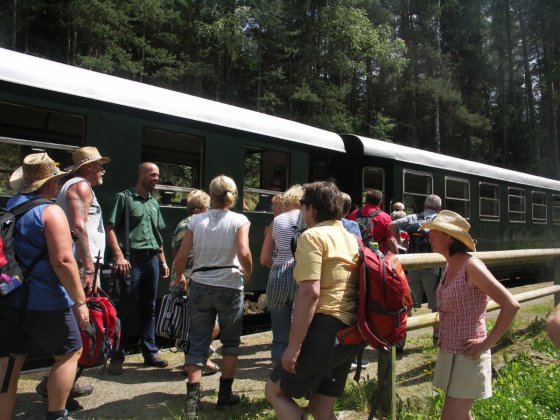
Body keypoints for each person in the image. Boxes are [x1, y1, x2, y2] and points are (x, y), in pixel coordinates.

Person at [0, 153, 88, 420]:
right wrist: (80, 302)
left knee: (9, 364)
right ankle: (56, 415)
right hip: (46, 302)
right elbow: (62, 261)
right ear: (51, 184)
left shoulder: (10, 208)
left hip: (8, 300)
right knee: (71, 352)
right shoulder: (50, 211)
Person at [265, 181, 362, 419]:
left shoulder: (313, 236)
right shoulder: (351, 238)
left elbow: (310, 292)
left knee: (274, 392)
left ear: (312, 209)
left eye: (303, 205)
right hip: (351, 332)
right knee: (321, 407)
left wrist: (293, 347)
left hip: (324, 330)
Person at [426, 210, 520, 419]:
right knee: (462, 415)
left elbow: (511, 305)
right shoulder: (449, 264)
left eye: (434, 232)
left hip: (469, 353)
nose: (429, 235)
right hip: (450, 350)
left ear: (449, 238)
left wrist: (486, 344)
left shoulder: (472, 266)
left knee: (450, 417)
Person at [36, 147, 111, 403]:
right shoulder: (81, 186)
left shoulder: (73, 185)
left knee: (84, 325)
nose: (103, 169)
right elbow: (78, 226)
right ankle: (57, 388)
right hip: (81, 266)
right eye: (99, 165)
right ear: (88, 167)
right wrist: (88, 267)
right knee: (86, 326)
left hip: (80, 264)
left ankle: (63, 383)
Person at [173, 175, 252, 414]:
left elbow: (181, 256)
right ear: (233, 196)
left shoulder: (195, 221)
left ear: (212, 194)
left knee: (197, 342)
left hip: (200, 283)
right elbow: (244, 252)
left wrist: (179, 276)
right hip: (229, 284)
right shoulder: (239, 220)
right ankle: (224, 396)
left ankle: (192, 403)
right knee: (231, 343)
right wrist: (246, 274)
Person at [105, 162, 170, 375]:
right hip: (131, 261)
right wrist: (119, 256)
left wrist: (162, 260)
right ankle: (117, 356)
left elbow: (156, 234)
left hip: (151, 260)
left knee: (149, 307)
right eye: (153, 174)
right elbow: (110, 228)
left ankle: (150, 353)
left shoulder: (153, 203)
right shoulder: (123, 198)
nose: (156, 178)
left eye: (158, 175)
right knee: (125, 308)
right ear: (141, 175)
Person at [170, 189, 220, 376]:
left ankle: (195, 361)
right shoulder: (189, 225)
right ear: (199, 209)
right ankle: (195, 362)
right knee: (201, 323)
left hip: (188, 276)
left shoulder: (184, 223)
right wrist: (180, 275)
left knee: (192, 323)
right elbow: (180, 253)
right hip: (190, 278)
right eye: (207, 207)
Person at [389, 194, 442, 342]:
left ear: (425, 206)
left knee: (407, 304)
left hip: (413, 266)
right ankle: (436, 338)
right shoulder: (439, 220)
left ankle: (400, 338)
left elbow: (392, 225)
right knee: (436, 306)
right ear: (439, 208)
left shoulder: (413, 218)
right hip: (432, 267)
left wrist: (400, 241)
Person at [260, 185, 303, 364]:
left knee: (279, 337)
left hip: (277, 276)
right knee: (302, 334)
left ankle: (277, 379)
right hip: (302, 277)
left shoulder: (276, 221)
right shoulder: (309, 220)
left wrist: (277, 266)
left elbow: (264, 259)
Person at [347, 189, 397, 254]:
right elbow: (391, 240)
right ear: (380, 201)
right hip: (377, 257)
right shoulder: (385, 217)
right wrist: (397, 257)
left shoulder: (353, 214)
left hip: (356, 255)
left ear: (366, 201)